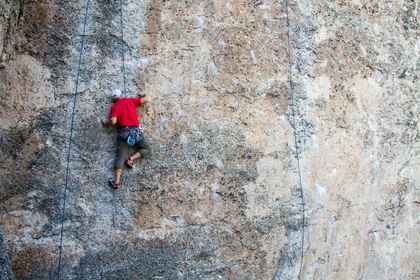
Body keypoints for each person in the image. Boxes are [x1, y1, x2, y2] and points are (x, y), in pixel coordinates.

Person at [102, 90, 151, 189]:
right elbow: (146, 100)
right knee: (146, 149)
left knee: (120, 156)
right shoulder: (130, 101)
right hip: (135, 132)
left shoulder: (115, 106)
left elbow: (113, 121)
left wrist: (105, 123)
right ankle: (131, 159)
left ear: (114, 99)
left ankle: (116, 182)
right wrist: (143, 95)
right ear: (121, 95)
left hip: (123, 133)